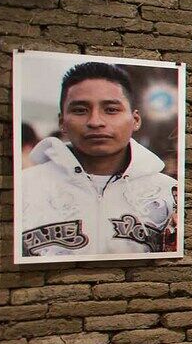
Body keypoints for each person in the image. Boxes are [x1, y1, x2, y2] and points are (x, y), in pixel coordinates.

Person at [17, 59, 179, 259]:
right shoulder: (24, 188)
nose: (95, 121)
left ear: (135, 120)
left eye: (111, 109)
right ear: (62, 122)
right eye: (80, 110)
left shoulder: (170, 194)